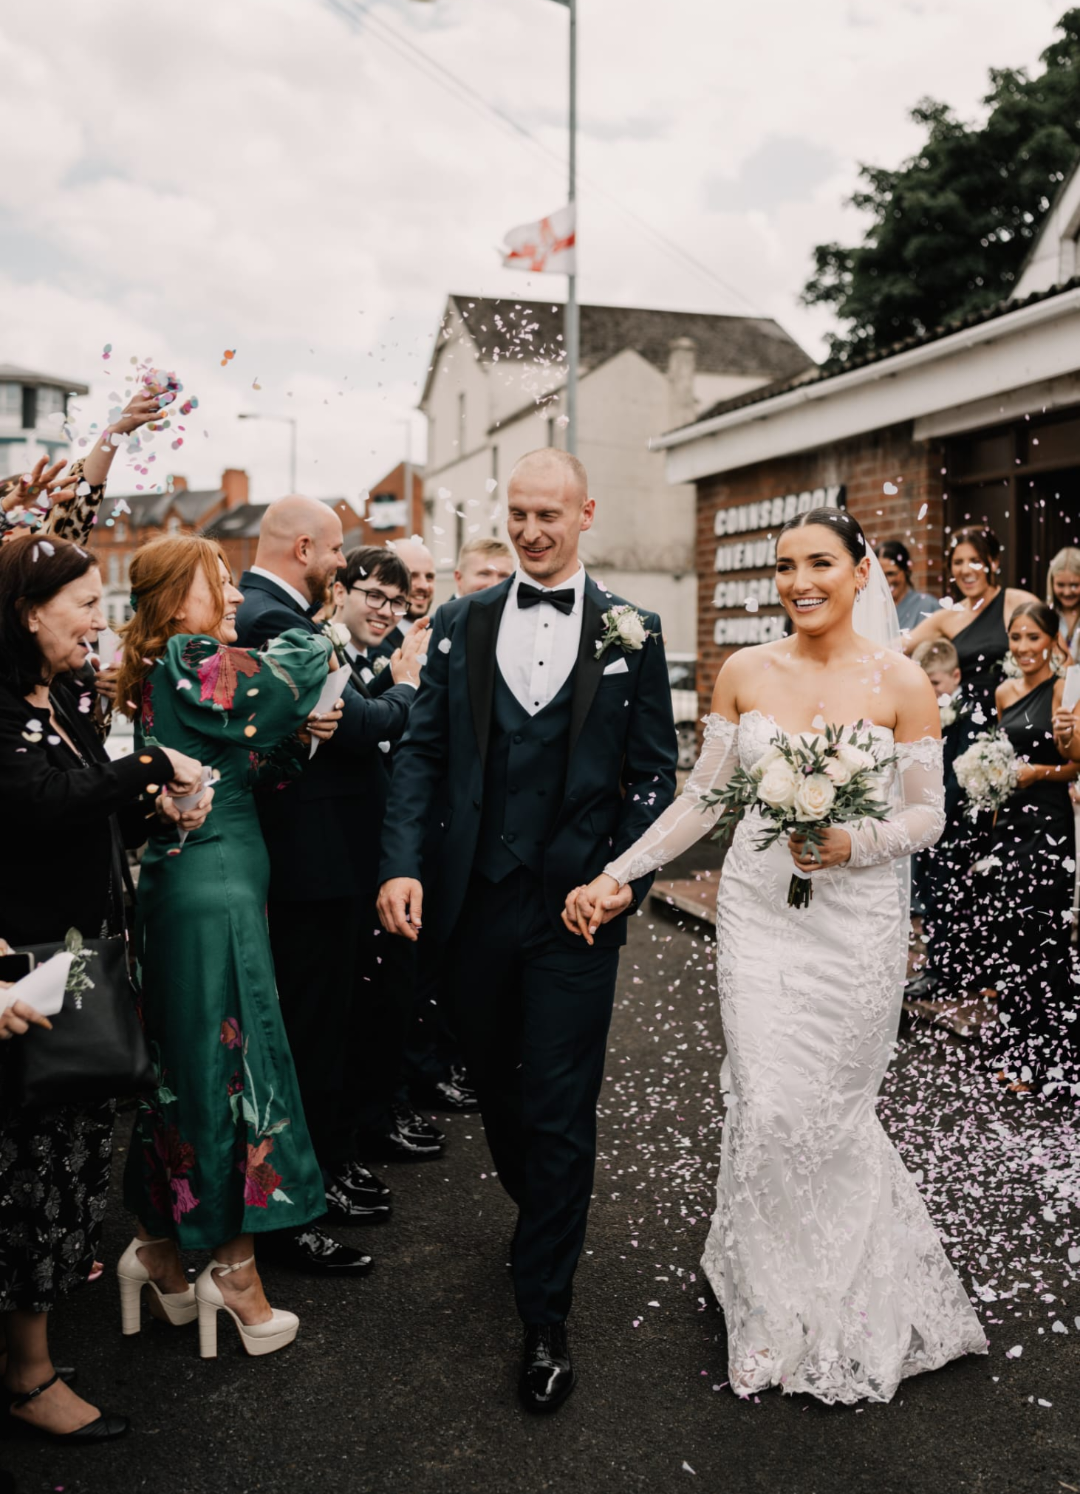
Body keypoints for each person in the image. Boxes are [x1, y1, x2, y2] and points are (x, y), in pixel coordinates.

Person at [569, 507, 987, 1405]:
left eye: (821, 563)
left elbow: (928, 814)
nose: (800, 581)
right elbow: (705, 798)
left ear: (860, 569)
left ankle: (846, 1293)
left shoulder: (902, 681)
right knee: (767, 1102)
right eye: (786, 565)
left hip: (857, 923)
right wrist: (620, 874)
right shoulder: (747, 673)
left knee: (828, 1112)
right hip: (761, 917)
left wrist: (854, 841)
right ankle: (770, 1302)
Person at [377, 447, 677, 1413]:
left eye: (552, 514)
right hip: (472, 903)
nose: (534, 530)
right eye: (520, 513)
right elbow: (421, 752)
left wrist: (623, 877)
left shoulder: (635, 631)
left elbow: (653, 776)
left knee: (557, 1104)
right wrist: (400, 863)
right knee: (496, 1086)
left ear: (587, 513)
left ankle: (545, 1312)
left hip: (575, 913)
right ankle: (540, 1208)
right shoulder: (461, 622)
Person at [115, 533, 344, 1358]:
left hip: (209, 878)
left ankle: (158, 1249)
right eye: (222, 583)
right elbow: (278, 685)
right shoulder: (186, 649)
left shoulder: (175, 664)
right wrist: (326, 627)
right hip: (210, 887)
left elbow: (258, 753)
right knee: (230, 1063)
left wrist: (301, 732)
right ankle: (235, 1267)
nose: (238, 597)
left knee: (186, 1066)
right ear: (181, 600)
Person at [0, 535, 208, 1439]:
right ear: (27, 612)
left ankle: (26, 1353)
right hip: (27, 972)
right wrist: (155, 766)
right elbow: (40, 804)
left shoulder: (70, 696)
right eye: (84, 603)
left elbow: (92, 805)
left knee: (74, 1156)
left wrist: (149, 807)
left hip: (86, 955)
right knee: (29, 1174)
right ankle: (30, 1377)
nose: (99, 620)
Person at [235, 499, 427, 1273]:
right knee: (309, 1035)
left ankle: (322, 1176)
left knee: (331, 1027)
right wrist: (405, 693)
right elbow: (351, 725)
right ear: (306, 547)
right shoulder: (267, 620)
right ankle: (292, 1214)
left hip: (330, 857)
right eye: (339, 552)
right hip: (307, 863)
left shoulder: (283, 614)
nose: (343, 566)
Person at [329, 545, 445, 1168]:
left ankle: (370, 1122)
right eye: (375, 594)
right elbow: (363, 725)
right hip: (338, 854)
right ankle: (346, 1144)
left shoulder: (376, 654)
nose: (387, 608)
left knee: (386, 998)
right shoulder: (322, 647)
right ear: (341, 588)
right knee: (350, 1012)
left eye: (395, 601)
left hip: (385, 844)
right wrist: (401, 684)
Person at [942, 601, 1079, 1094]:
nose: (1023, 648)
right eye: (1016, 638)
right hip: (1009, 829)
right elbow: (1001, 755)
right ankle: (1017, 1050)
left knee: (1045, 942)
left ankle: (1049, 1061)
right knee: (1012, 940)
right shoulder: (1002, 693)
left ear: (1051, 642)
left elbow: (1074, 765)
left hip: (1049, 827)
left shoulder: (1065, 690)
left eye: (1033, 639)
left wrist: (1038, 771)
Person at [903, 526, 1039, 718]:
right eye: (958, 562)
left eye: (975, 561)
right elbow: (896, 646)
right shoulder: (947, 617)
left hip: (1017, 716)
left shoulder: (1019, 603)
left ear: (993, 562)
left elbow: (1059, 659)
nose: (966, 570)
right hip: (967, 724)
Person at [906, 639, 970, 1004]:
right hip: (927, 816)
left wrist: (935, 807)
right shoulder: (925, 710)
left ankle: (943, 972)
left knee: (946, 895)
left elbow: (959, 773)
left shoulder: (967, 713)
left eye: (935, 683)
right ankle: (937, 964)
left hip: (954, 820)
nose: (929, 691)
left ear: (955, 676)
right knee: (930, 892)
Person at [370, 535, 436, 659]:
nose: (424, 585)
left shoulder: (441, 633)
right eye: (412, 576)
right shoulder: (372, 639)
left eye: (429, 577)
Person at [875, 540, 939, 633]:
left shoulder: (927, 606)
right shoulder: (870, 609)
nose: (885, 582)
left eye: (891, 574)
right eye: (879, 575)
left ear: (907, 571)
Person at [1046, 547, 1080, 658]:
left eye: (1074, 585)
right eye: (1060, 585)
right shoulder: (1044, 615)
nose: (1067, 592)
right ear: (1052, 583)